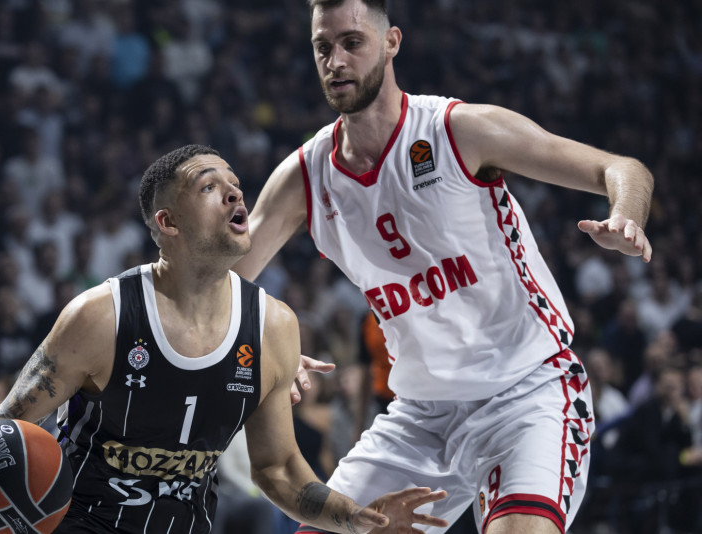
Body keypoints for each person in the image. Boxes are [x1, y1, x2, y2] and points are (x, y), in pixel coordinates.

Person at [232, 1, 655, 533]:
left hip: (528, 392)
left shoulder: (459, 130)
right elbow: (221, 288)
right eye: (323, 47)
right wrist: (267, 343)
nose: (335, 61)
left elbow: (621, 168)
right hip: (421, 415)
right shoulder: (305, 176)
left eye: (352, 43)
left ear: (391, 42)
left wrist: (626, 215)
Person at [0, 144, 448, 534]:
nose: (235, 194)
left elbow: (278, 469)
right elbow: (8, 419)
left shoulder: (274, 327)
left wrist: (357, 519)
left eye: (235, 185)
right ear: (168, 222)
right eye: (209, 187)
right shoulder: (101, 316)